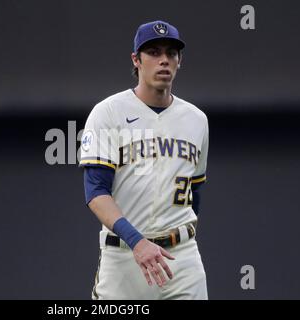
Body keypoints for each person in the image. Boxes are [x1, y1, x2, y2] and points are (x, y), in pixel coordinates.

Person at [79, 20, 209, 300]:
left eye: (171, 53)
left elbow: (194, 192)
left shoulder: (197, 120)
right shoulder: (108, 113)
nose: (163, 60)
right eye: (153, 52)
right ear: (136, 60)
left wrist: (179, 237)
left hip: (181, 258)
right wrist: (138, 241)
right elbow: (95, 192)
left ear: (179, 60)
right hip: (124, 256)